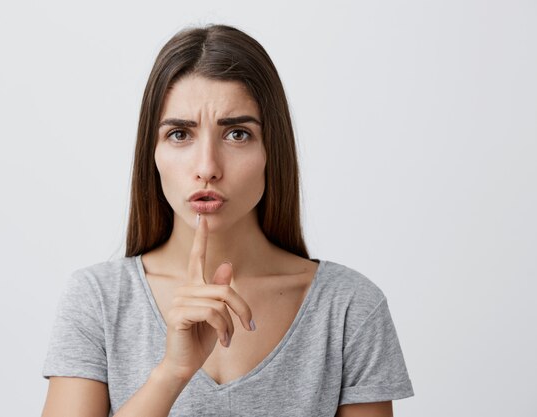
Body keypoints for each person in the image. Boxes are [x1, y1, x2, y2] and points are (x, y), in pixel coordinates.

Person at [40, 24, 414, 417]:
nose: (207, 168)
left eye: (237, 134)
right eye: (180, 134)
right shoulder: (97, 300)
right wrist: (172, 373)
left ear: (273, 149)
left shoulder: (349, 307)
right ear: (152, 153)